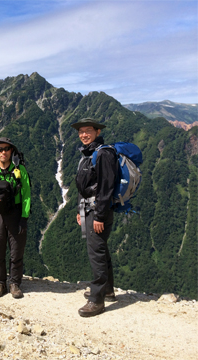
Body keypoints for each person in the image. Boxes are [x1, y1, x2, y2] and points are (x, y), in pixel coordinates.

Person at [72, 118, 118, 317]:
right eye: (81, 131)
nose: (84, 134)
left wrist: (99, 215)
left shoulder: (104, 154)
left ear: (98, 132)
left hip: (98, 211)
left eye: (88, 130)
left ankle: (97, 300)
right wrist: (79, 210)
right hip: (89, 209)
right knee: (101, 249)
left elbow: (106, 188)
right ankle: (107, 290)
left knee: (96, 253)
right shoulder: (89, 153)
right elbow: (84, 186)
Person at [0, 137, 31, 299]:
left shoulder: (20, 171)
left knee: (16, 251)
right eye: (0, 149)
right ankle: (0, 283)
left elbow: (26, 196)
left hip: (15, 214)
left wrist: (24, 217)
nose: (3, 152)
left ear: (12, 151)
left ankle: (14, 283)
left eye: (6, 149)